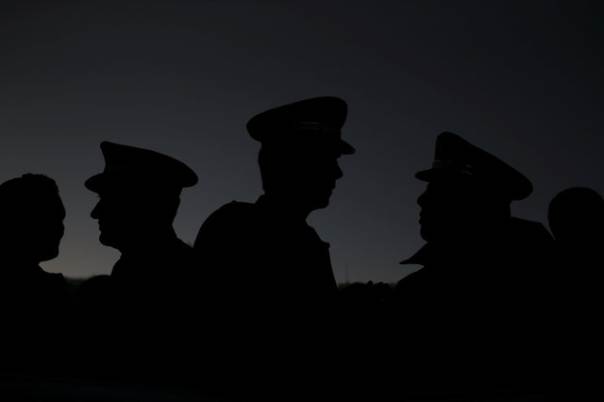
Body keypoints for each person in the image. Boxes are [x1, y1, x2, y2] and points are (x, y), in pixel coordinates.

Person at [193, 96, 355, 397]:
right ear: (294, 160)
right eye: (328, 159)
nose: (337, 173)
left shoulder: (303, 239)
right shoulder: (237, 230)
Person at [392, 132, 553, 395]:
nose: (421, 199)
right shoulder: (418, 289)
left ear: (475, 202)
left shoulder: (535, 283)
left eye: (438, 191)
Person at [81, 141, 199, 383]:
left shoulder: (170, 276)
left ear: (144, 204)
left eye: (108, 198)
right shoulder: (143, 266)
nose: (95, 212)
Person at [0, 173, 70, 376]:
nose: (60, 228)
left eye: (61, 218)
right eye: (51, 217)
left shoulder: (48, 288)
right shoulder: (45, 292)